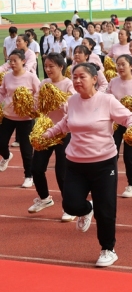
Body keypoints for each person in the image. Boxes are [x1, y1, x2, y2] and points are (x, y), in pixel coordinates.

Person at [43, 62, 132, 267]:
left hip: (104, 163)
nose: (77, 81)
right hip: (75, 163)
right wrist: (50, 133)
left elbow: (129, 117)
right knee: (70, 204)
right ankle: (86, 209)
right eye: (74, 77)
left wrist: (131, 126)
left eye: (82, 77)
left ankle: (107, 249)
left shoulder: (107, 100)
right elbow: (66, 123)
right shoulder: (73, 101)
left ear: (95, 79)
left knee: (106, 209)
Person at [28, 53, 76, 221]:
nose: (48, 69)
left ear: (61, 67)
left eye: (51, 66)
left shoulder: (68, 84)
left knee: (61, 173)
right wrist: (32, 105)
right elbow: (36, 106)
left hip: (64, 132)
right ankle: (44, 198)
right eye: (46, 66)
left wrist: (63, 104)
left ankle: (69, 206)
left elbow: (74, 107)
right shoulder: (44, 83)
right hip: (46, 131)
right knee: (36, 168)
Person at [106, 54, 132, 198]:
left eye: (123, 64)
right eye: (118, 64)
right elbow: (106, 98)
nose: (120, 67)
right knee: (112, 154)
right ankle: (109, 183)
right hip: (116, 123)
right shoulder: (113, 82)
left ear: (131, 66)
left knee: (130, 157)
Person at [0, 49, 40, 186]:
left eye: (14, 61)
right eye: (10, 61)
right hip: (8, 115)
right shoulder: (7, 77)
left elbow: (38, 93)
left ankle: (28, 176)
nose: (12, 63)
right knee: (1, 143)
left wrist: (31, 107)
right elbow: (2, 92)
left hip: (26, 118)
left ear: (23, 61)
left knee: (26, 149)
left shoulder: (31, 77)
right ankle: (7, 156)